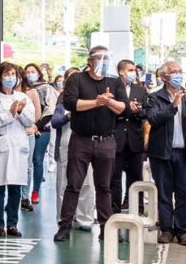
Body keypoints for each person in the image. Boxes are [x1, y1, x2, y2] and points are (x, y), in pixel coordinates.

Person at [54, 46, 124, 241]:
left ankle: (105, 227)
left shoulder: (114, 81)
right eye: (99, 58)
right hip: (81, 140)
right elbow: (71, 103)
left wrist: (108, 102)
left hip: (106, 141)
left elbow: (122, 108)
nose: (104, 61)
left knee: (104, 186)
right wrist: (97, 102)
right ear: (90, 61)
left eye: (107, 58)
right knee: (73, 184)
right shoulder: (77, 79)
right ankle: (65, 225)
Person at [144, 62, 186, 245]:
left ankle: (183, 230)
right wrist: (173, 105)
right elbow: (153, 119)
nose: (178, 75)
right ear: (164, 77)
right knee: (164, 193)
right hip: (162, 153)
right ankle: (166, 230)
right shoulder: (155, 97)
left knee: (184, 193)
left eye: (180, 71)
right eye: (174, 72)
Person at [0, 62, 37, 237]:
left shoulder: (23, 97)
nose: (10, 78)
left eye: (13, 74)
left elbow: (30, 121)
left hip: (18, 146)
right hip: (0, 147)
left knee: (15, 188)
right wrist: (10, 113)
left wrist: (20, 112)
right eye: (6, 74)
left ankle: (12, 224)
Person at [111, 58, 149, 213]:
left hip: (135, 137)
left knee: (136, 176)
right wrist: (125, 109)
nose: (134, 73)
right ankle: (114, 210)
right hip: (116, 137)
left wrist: (138, 111)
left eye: (135, 70)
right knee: (114, 177)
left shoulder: (140, 89)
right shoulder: (111, 88)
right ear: (121, 71)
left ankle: (137, 208)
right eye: (130, 70)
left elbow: (147, 111)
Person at [25, 64, 57, 206]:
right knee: (25, 163)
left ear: (38, 73)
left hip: (42, 129)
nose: (30, 74)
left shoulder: (47, 88)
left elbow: (51, 110)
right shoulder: (22, 89)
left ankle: (35, 191)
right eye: (27, 72)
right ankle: (23, 193)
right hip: (25, 129)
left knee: (37, 160)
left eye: (33, 71)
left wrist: (36, 126)